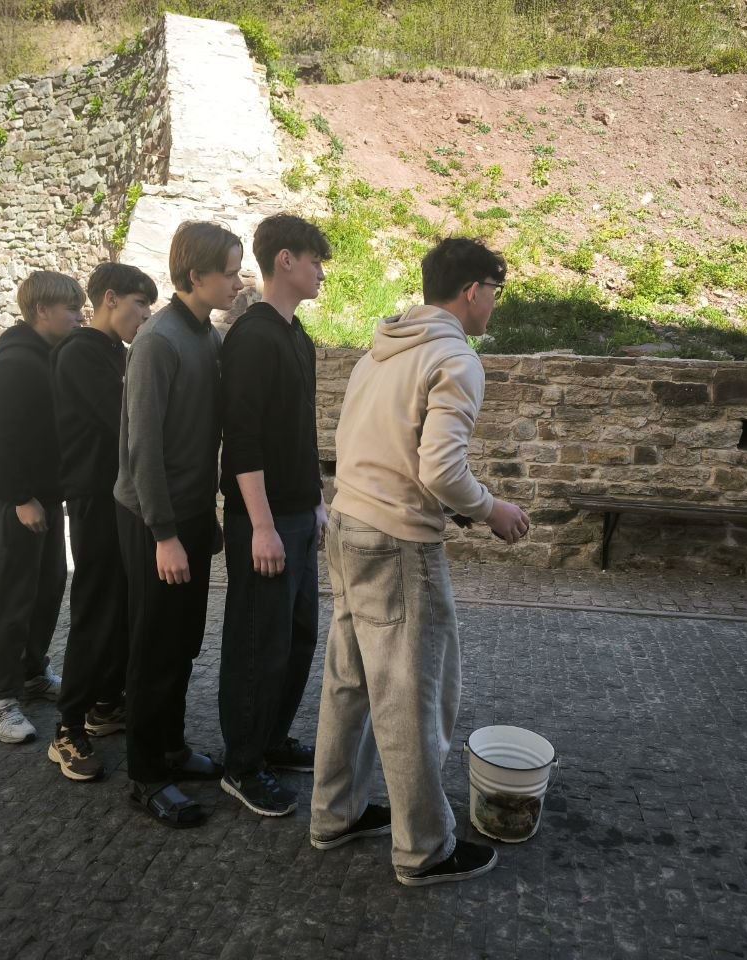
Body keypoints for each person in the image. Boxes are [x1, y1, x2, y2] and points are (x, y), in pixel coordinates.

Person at [309, 236, 530, 886]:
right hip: (398, 543)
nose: (494, 304)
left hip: (347, 526)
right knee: (411, 697)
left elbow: (370, 446)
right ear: (472, 291)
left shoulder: (380, 350)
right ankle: (423, 849)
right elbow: (439, 468)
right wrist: (490, 509)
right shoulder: (454, 358)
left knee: (349, 681)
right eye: (495, 292)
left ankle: (334, 813)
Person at [115, 222, 243, 825]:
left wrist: (201, 519)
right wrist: (164, 534)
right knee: (153, 648)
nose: (238, 283)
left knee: (183, 642)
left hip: (187, 515)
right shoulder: (157, 341)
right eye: (230, 273)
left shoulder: (206, 335)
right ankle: (145, 777)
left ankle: (170, 747)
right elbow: (143, 448)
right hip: (151, 520)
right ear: (196, 275)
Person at [217, 213, 330, 817]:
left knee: (297, 637)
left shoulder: (297, 336)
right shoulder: (252, 338)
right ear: (285, 260)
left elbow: (301, 433)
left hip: (298, 515)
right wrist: (261, 525)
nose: (321, 273)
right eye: (315, 261)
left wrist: (316, 502)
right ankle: (243, 764)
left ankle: (271, 740)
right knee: (258, 643)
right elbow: (243, 440)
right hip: (264, 521)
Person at [46, 262, 155, 782]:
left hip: (121, 499)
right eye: (140, 303)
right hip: (94, 499)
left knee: (121, 607)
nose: (146, 314)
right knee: (95, 610)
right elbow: (125, 422)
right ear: (110, 299)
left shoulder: (117, 352)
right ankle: (68, 728)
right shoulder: (81, 353)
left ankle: (106, 704)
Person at [0, 271, 84, 744]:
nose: (79, 317)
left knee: (48, 588)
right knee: (12, 600)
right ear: (41, 311)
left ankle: (32, 673)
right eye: (71, 309)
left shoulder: (51, 356)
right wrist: (21, 498)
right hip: (7, 499)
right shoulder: (16, 364)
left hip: (42, 499)